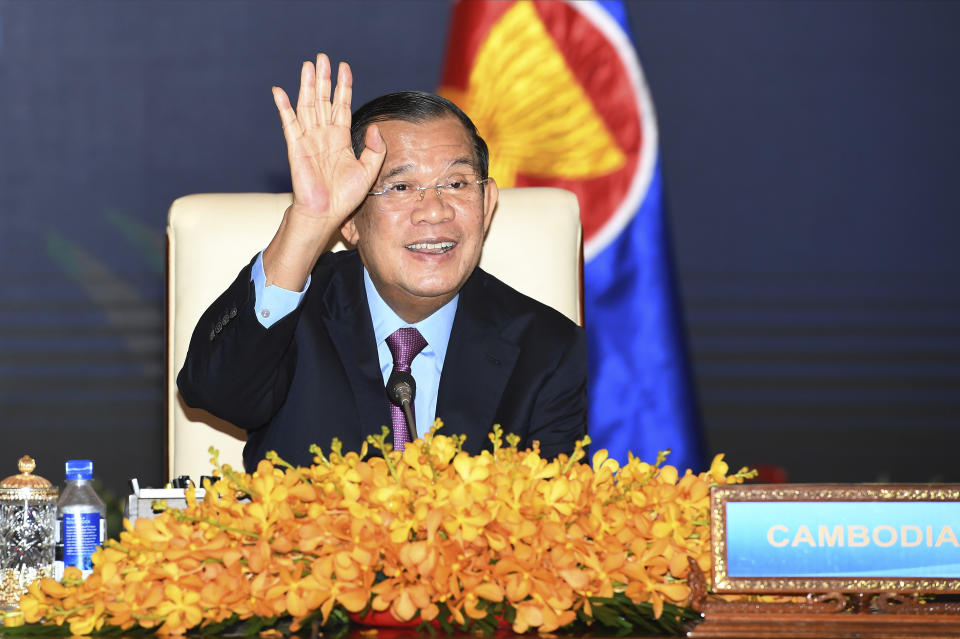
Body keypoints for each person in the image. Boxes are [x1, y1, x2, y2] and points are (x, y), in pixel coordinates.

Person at [177, 54, 587, 471]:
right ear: (351, 222)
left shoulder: (548, 350)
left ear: (488, 203)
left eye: (457, 183)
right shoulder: (294, 318)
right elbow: (214, 391)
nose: (435, 211)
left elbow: (552, 522)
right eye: (402, 186)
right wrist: (309, 222)